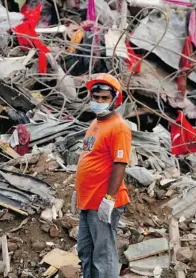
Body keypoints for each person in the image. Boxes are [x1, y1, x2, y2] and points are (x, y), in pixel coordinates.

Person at [72, 73, 132, 278]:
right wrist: (77, 194)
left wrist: (109, 199)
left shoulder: (119, 127)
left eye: (104, 98)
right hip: (88, 201)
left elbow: (120, 164)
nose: (99, 101)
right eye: (96, 97)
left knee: (103, 255)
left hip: (103, 202)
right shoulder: (94, 124)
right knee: (85, 250)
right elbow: (90, 159)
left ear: (115, 100)